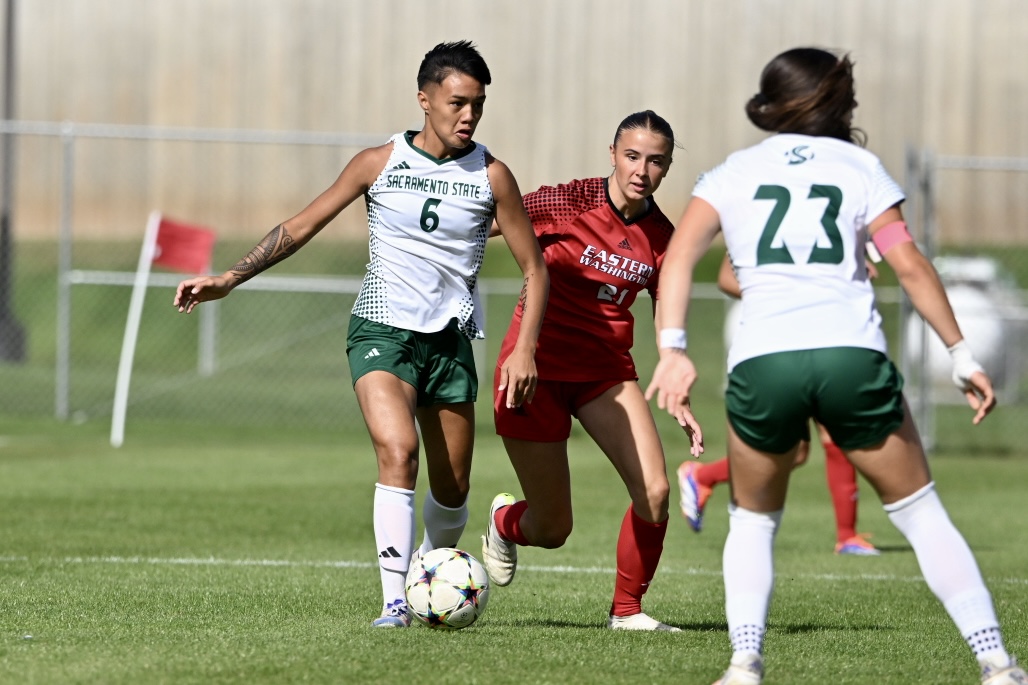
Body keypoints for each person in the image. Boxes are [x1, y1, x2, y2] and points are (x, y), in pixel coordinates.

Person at [646, 48, 1026, 685]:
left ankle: (743, 664)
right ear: (833, 101)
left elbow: (679, 258)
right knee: (923, 513)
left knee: (754, 522)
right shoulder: (861, 167)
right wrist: (961, 354)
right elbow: (907, 264)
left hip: (765, 362)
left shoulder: (730, 173)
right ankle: (996, 663)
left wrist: (674, 349)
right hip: (852, 355)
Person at [173, 40, 549, 629]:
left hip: (449, 340)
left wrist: (524, 346)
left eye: (477, 105)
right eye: (457, 103)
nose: (468, 116)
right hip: (381, 328)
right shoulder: (378, 162)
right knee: (398, 452)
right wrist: (231, 277)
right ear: (424, 100)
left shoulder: (492, 176)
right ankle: (394, 601)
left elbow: (535, 267)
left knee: (452, 492)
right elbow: (301, 225)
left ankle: (432, 569)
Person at [479, 110, 703, 632]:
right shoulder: (567, 201)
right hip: (531, 367)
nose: (641, 170)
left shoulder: (662, 237)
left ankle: (627, 612)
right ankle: (504, 522)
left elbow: (667, 312)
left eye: (655, 161)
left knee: (656, 491)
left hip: (604, 373)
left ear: (666, 168)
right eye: (631, 156)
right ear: (612, 154)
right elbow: (481, 227)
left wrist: (676, 381)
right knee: (553, 528)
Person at [678, 253, 880, 555]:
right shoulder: (756, 213)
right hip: (778, 344)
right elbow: (725, 277)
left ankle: (702, 476)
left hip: (820, 337)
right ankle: (846, 536)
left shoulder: (823, 215)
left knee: (797, 452)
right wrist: (780, 300)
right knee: (823, 435)